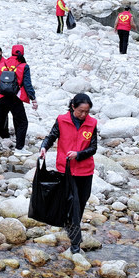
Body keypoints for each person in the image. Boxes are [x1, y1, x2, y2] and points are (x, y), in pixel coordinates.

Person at [40, 93, 99, 254]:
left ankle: (72, 227)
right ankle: (75, 244)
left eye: (87, 111)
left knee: (80, 205)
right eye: (81, 111)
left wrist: (78, 154)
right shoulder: (62, 120)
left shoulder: (92, 124)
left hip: (85, 171)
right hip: (65, 170)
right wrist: (44, 147)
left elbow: (93, 148)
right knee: (72, 205)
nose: (84, 115)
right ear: (73, 107)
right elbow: (51, 137)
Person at [0, 44, 37, 152]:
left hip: (2, 96)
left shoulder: (4, 63)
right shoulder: (24, 66)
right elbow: (27, 84)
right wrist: (33, 98)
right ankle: (19, 149)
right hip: (15, 97)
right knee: (22, 122)